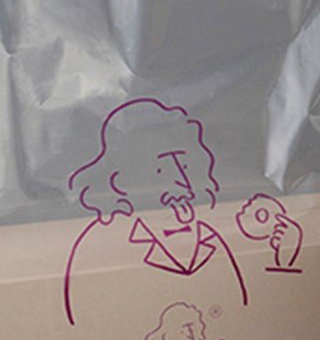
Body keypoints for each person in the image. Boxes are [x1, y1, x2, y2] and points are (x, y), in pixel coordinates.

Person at [64, 98, 248, 325]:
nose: (182, 183)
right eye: (161, 171)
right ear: (121, 182)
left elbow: (241, 314)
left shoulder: (213, 237)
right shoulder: (99, 246)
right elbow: (87, 328)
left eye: (185, 166)